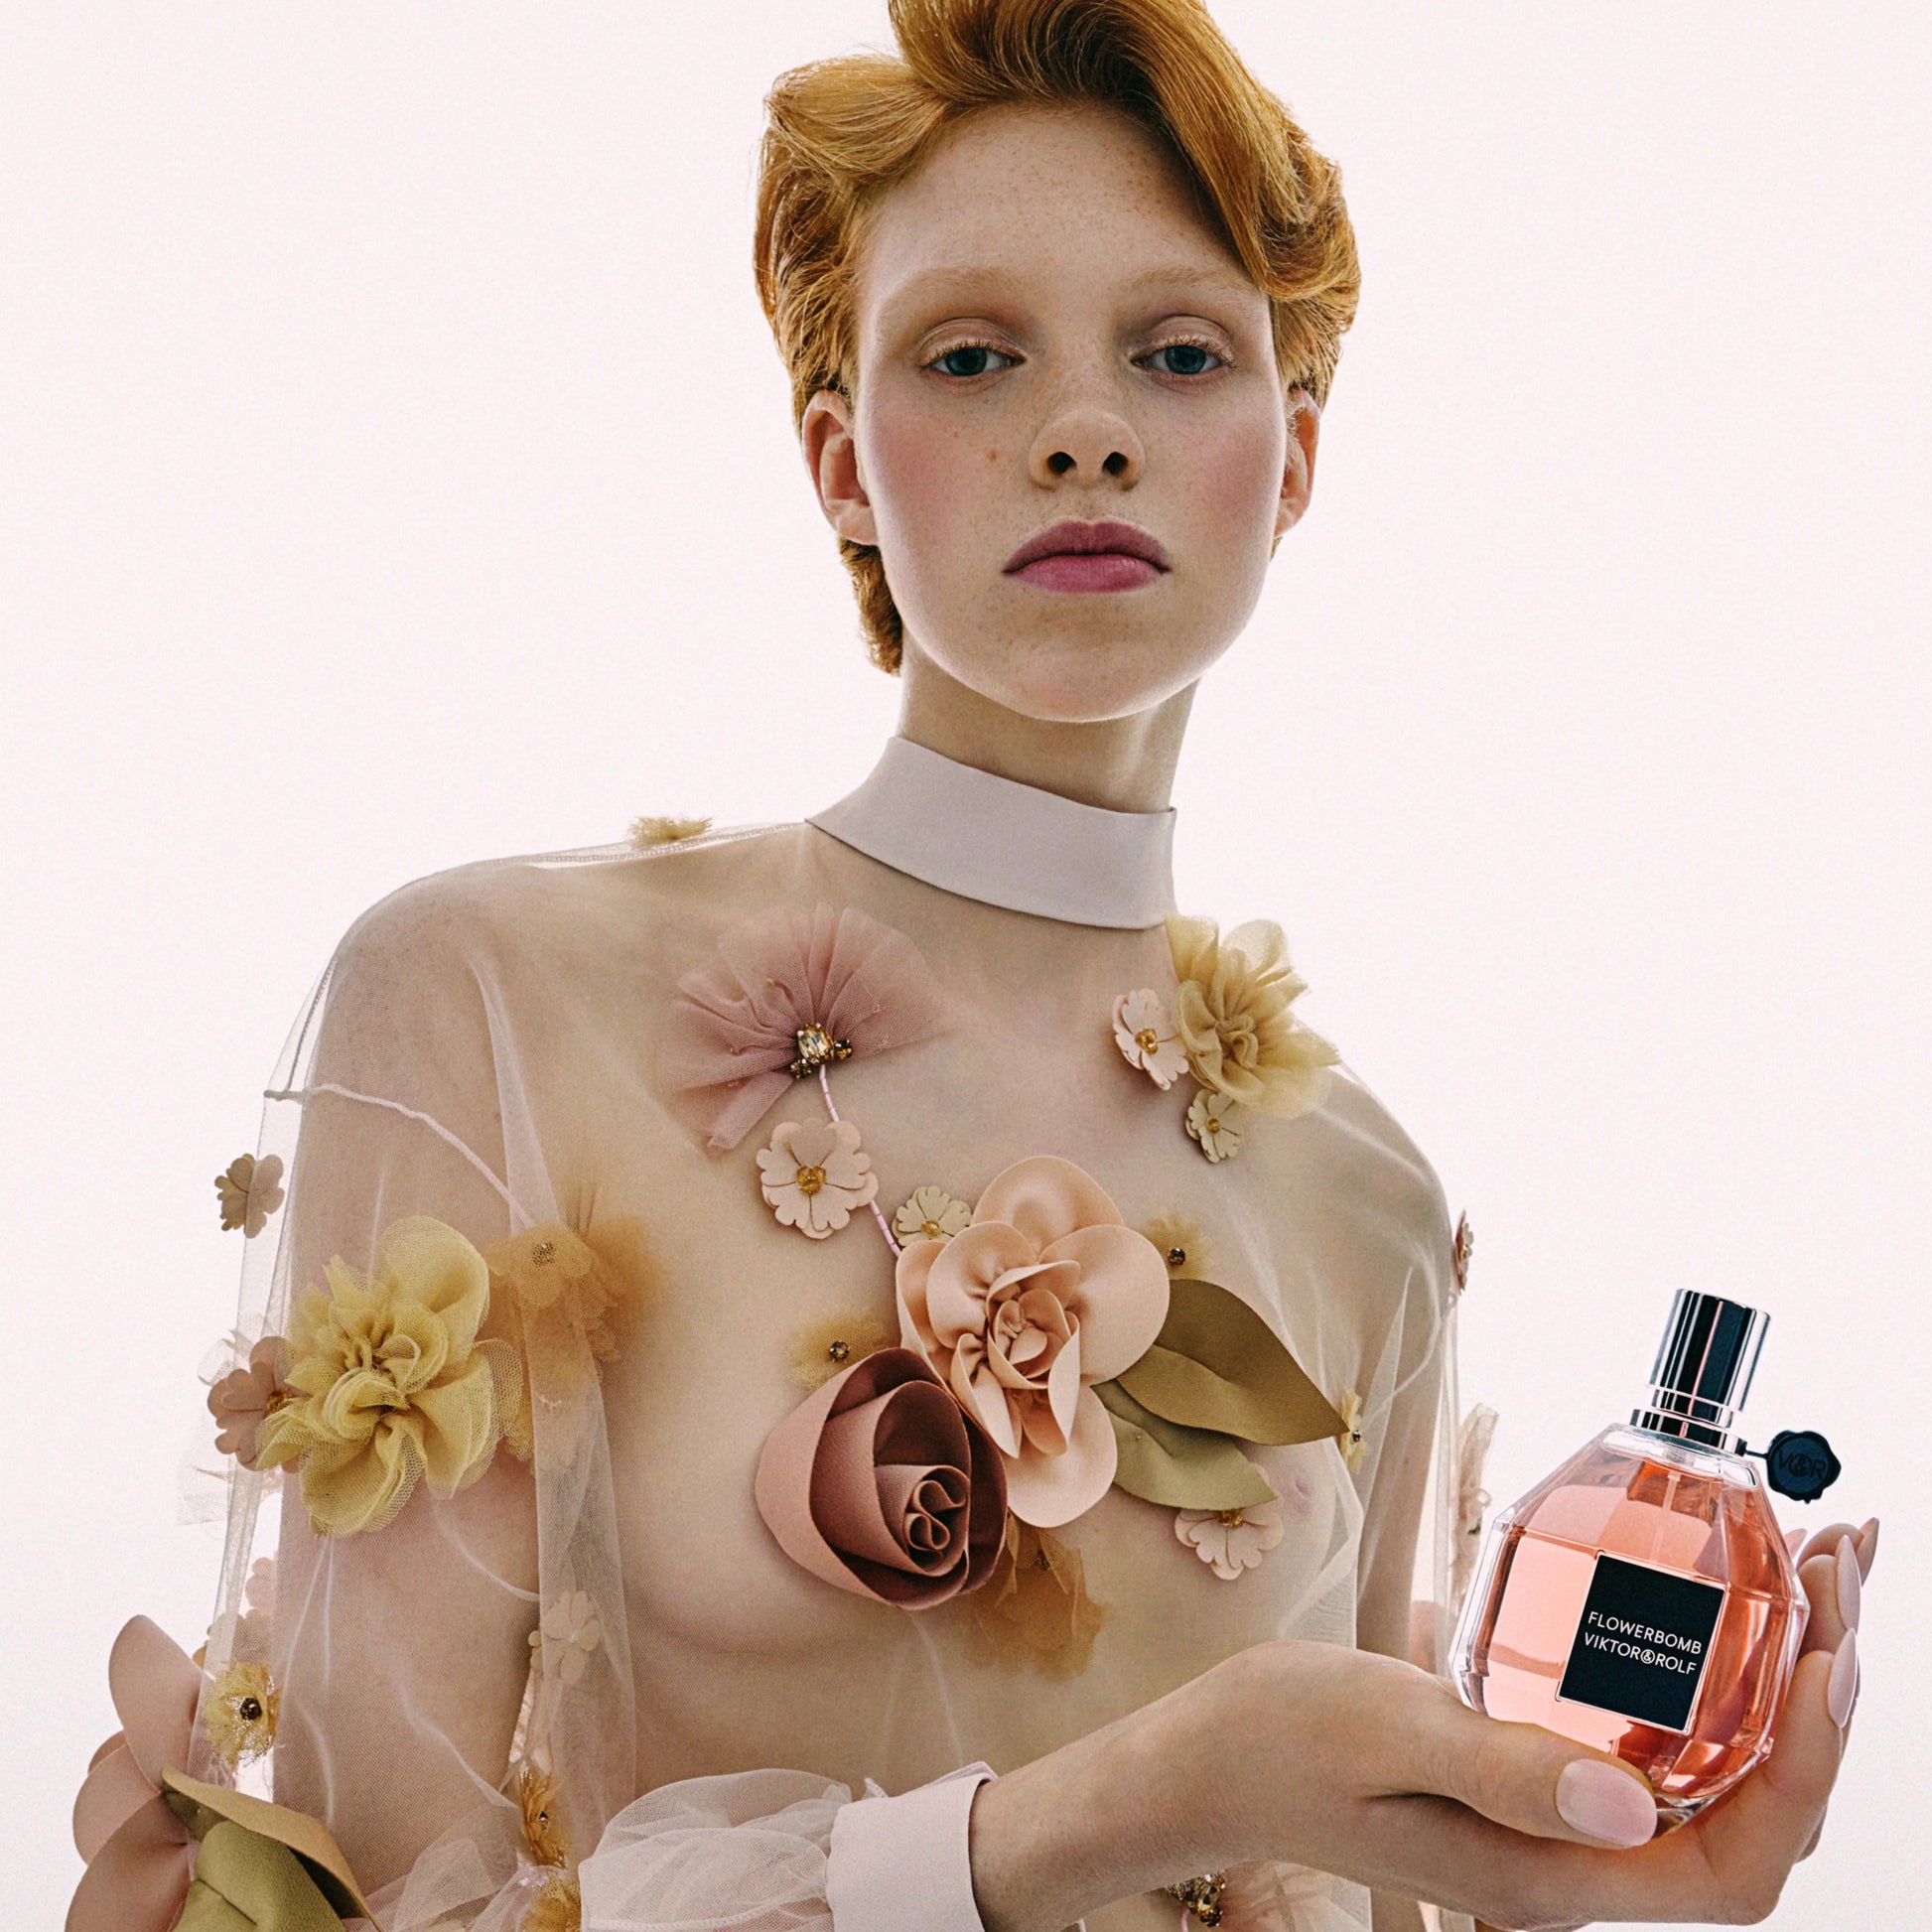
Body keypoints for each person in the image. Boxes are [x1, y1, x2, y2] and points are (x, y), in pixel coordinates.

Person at [67, 2, 1869, 1929]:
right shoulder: (499, 1001)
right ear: (842, 459)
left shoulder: (1364, 1197)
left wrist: (1582, 1880)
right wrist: (1089, 1816)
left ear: (1295, 462)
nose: (1081, 428)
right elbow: (383, 1907)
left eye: (1179, 354)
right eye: (972, 352)